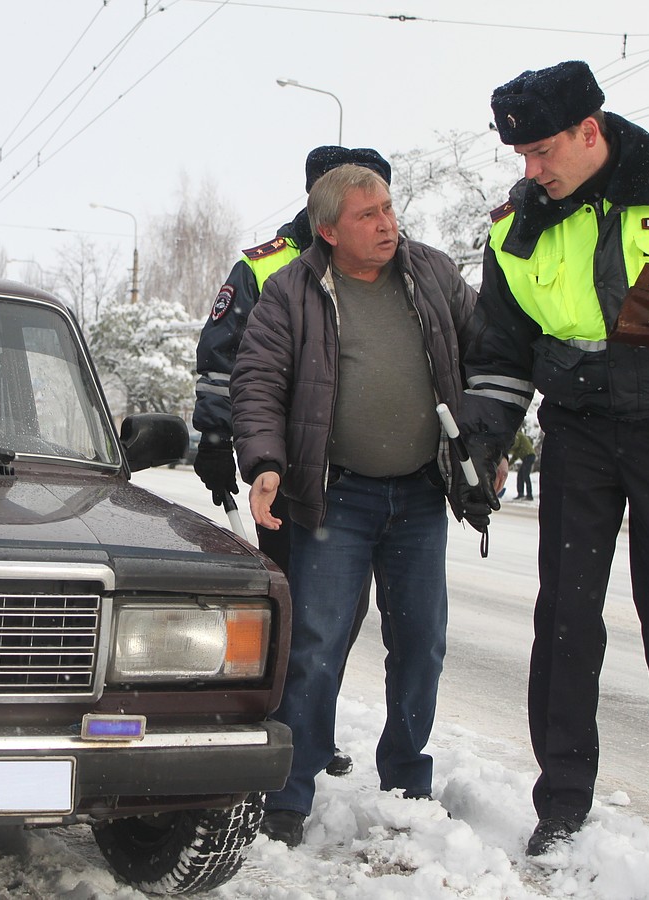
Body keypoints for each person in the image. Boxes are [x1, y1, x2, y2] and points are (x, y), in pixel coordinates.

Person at [462, 59, 649, 861]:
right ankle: (561, 802)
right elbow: (499, 350)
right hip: (580, 430)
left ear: (589, 132)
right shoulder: (515, 228)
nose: (531, 171)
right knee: (564, 619)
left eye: (542, 152)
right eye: (521, 157)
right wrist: (486, 440)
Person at [230, 163, 488, 847]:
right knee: (313, 645)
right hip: (335, 496)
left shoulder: (431, 274)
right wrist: (263, 463)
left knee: (421, 644)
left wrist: (481, 447)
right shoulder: (291, 290)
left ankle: (407, 777)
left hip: (421, 493)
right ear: (329, 230)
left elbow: (486, 348)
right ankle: (289, 790)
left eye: (388, 209)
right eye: (368, 215)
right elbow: (257, 381)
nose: (386, 224)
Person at [193, 145, 393, 778]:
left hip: (361, 476)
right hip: (282, 471)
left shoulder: (387, 267)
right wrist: (216, 439)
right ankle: (272, 728)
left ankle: (307, 729)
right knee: (291, 609)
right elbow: (222, 357)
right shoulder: (267, 268)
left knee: (340, 614)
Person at [509, 429, 536, 500]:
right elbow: (515, 457)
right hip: (526, 457)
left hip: (529, 456)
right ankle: (520, 494)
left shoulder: (517, 436)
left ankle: (529, 495)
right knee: (520, 475)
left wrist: (506, 449)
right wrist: (508, 464)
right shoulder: (517, 447)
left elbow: (515, 445)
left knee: (525, 475)